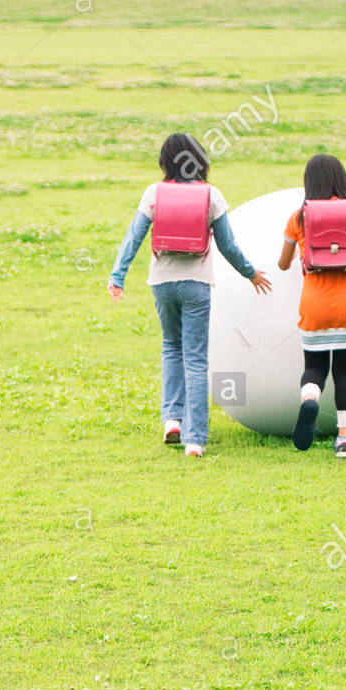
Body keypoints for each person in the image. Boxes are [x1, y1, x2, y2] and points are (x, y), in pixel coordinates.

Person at [108, 133, 271, 458]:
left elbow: (134, 236)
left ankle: (172, 420)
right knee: (195, 358)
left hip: (163, 282)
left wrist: (117, 275)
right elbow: (227, 245)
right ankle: (194, 439)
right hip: (196, 282)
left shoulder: (154, 192)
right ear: (200, 160)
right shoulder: (211, 195)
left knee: (171, 348)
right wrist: (250, 272)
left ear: (165, 161)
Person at [278, 154, 346, 458]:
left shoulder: (299, 217)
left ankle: (309, 400)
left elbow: (283, 263)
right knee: (345, 371)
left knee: (314, 367)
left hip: (314, 305)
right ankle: (344, 439)